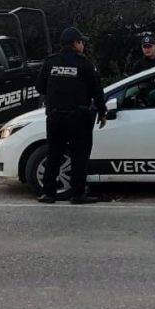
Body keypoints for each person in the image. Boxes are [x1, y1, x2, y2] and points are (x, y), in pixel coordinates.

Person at [35, 26, 107, 204]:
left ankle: (48, 193)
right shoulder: (84, 64)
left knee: (54, 153)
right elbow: (97, 91)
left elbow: (40, 87)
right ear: (76, 43)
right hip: (78, 118)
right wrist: (102, 112)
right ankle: (77, 194)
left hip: (54, 116)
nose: (83, 45)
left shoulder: (50, 62)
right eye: (82, 42)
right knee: (79, 156)